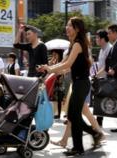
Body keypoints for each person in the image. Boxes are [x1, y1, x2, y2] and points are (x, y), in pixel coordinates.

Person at [38, 17, 104, 156]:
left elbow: (67, 64)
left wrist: (50, 69)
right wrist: (49, 68)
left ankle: (84, 142)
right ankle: (85, 141)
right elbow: (67, 67)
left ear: (77, 29)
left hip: (81, 84)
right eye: (67, 25)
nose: (67, 28)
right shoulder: (74, 44)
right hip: (79, 83)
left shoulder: (78, 44)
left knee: (73, 116)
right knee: (73, 116)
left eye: (70, 26)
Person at [94, 29, 112, 127]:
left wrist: (97, 74)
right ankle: (98, 122)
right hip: (101, 78)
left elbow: (107, 66)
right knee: (100, 99)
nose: (96, 39)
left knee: (105, 99)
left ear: (102, 39)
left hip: (108, 79)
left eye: (97, 37)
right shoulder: (101, 49)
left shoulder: (109, 48)